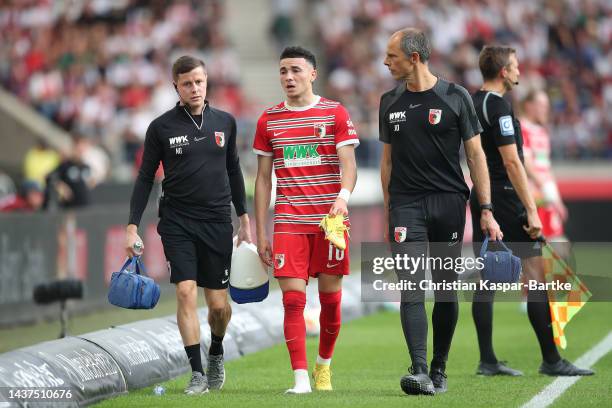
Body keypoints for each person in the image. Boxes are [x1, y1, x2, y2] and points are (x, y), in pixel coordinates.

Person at [379, 28, 502, 395]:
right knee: (412, 288)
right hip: (406, 205)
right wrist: (390, 210)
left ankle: (439, 369)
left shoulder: (455, 96)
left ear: (414, 58)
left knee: (446, 290)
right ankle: (418, 370)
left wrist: (486, 209)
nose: (385, 62)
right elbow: (386, 162)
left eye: (392, 56)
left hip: (449, 203)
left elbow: (476, 155)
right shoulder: (389, 101)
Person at [125, 55, 252, 395]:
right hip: (178, 221)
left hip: (216, 222)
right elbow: (144, 178)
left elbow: (234, 171)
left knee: (219, 306)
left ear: (207, 81)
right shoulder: (161, 127)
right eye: (187, 83)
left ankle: (216, 351)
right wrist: (132, 225)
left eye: (199, 81)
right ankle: (196, 372)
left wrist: (244, 218)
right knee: (184, 291)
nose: (194, 88)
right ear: (176, 87)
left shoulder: (225, 122)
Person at [470, 45, 592, 377]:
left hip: (481, 198)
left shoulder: (470, 102)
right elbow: (512, 161)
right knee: (536, 277)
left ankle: (487, 359)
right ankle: (551, 359)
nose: (520, 70)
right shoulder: (500, 107)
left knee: (488, 279)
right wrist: (531, 209)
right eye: (516, 66)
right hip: (507, 199)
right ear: (503, 72)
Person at [253, 46, 358, 394]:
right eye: (283, 71)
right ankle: (300, 379)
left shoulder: (334, 113)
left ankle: (323, 366)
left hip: (330, 223)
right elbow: (263, 179)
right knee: (293, 301)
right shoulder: (269, 119)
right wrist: (260, 231)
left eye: (295, 70)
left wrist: (342, 198)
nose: (288, 77)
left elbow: (349, 166)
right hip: (288, 222)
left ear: (312, 74)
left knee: (330, 300)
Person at [520, 90, 567, 240]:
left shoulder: (542, 132)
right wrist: (549, 193)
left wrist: (557, 199)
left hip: (546, 197)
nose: (544, 109)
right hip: (531, 198)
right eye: (540, 104)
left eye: (546, 105)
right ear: (528, 105)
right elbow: (527, 165)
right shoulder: (521, 128)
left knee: (556, 245)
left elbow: (546, 168)